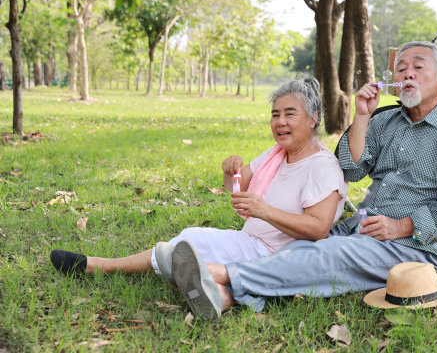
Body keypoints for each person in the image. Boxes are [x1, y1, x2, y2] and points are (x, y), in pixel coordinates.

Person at [168, 41, 437, 319]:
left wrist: (401, 226)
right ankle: (226, 297)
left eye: (418, 68)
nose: (407, 75)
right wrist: (362, 116)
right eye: (401, 69)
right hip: (363, 227)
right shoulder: (385, 121)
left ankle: (216, 274)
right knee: (302, 245)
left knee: (327, 255)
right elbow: (352, 170)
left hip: (411, 245)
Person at [49, 77, 348, 297]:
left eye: (289, 114)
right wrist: (229, 173)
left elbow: (318, 227)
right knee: (187, 244)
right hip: (251, 243)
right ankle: (213, 291)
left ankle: (99, 266)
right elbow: (236, 185)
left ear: (313, 119)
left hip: (274, 255)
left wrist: (266, 212)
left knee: (188, 242)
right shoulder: (277, 153)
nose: (280, 121)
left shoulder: (320, 165)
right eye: (275, 114)